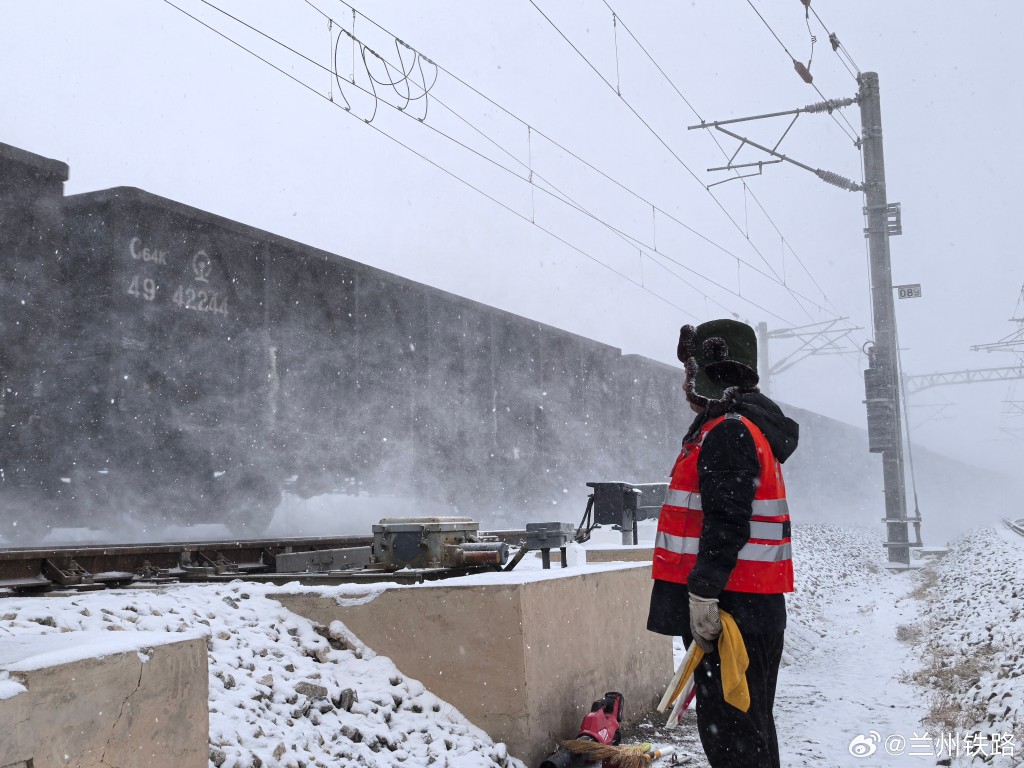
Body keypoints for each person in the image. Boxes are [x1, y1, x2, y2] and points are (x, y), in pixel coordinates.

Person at [647, 319, 799, 768]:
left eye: (688, 373)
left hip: (731, 614)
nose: (683, 385)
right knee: (747, 732)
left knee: (734, 739)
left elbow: (727, 522)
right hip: (746, 608)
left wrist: (703, 593)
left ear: (711, 372)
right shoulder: (744, 428)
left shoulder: (729, 432)